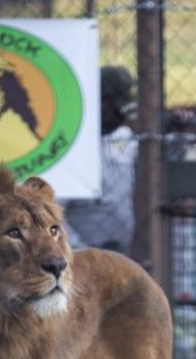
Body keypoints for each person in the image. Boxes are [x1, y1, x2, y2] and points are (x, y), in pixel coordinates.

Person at [63, 65, 140, 254]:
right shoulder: (72, 145)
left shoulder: (123, 136)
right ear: (100, 102)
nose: (122, 117)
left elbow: (149, 162)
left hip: (122, 252)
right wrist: (81, 251)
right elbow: (53, 213)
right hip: (82, 256)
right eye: (116, 108)